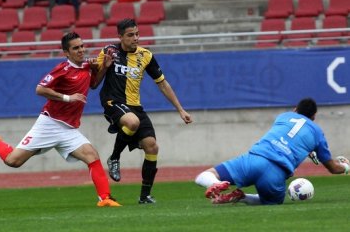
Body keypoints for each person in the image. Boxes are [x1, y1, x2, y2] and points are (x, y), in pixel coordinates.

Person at [0, 32, 121, 208]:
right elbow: (40, 89)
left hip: (68, 129)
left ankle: (105, 198)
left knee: (91, 155)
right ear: (66, 53)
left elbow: (92, 85)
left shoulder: (86, 66)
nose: (81, 50)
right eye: (75, 48)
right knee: (13, 161)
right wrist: (68, 98)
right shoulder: (62, 69)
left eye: (82, 46)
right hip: (49, 123)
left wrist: (104, 68)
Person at [92, 18, 193, 204]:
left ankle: (145, 196)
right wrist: (104, 67)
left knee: (152, 146)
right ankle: (114, 157)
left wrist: (180, 110)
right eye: (130, 35)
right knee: (132, 122)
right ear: (120, 36)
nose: (135, 38)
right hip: (112, 101)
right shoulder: (109, 51)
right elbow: (93, 84)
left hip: (135, 106)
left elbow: (162, 84)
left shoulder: (146, 55)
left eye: (137, 34)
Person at [195, 98, 350, 205]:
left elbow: (289, 134)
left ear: (295, 110)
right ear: (314, 116)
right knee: (270, 202)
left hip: (254, 159)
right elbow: (333, 168)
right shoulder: (317, 133)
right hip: (275, 174)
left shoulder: (284, 116)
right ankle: (242, 197)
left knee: (205, 175)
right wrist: (346, 166)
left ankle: (218, 183)